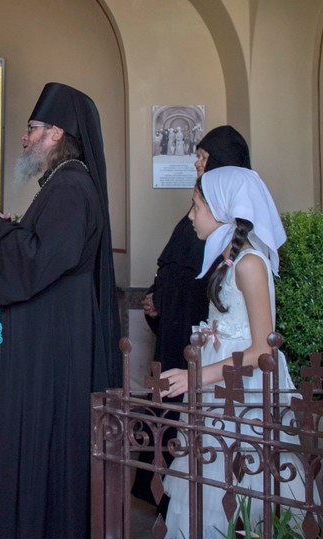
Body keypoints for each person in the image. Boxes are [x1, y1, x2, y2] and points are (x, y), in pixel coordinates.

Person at [0, 82, 121, 539]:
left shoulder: (71, 187)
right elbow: (43, 249)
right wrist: (11, 230)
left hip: (54, 349)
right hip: (46, 341)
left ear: (56, 133)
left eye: (30, 129)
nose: (23, 139)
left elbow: (39, 259)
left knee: (46, 441)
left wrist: (0, 233)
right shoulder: (61, 184)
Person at [159, 166, 310, 539]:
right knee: (216, 468)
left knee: (246, 473)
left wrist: (196, 376)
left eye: (196, 206)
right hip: (223, 382)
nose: (191, 215)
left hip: (244, 389)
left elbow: (262, 349)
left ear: (224, 209)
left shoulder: (250, 264)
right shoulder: (229, 259)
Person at [132, 125, 251, 508]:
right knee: (166, 410)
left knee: (193, 423)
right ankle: (161, 497)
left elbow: (213, 287)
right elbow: (173, 267)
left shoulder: (230, 222)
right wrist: (157, 301)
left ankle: (187, 510)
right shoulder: (197, 212)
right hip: (172, 332)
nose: (196, 162)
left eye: (202, 156)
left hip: (199, 338)